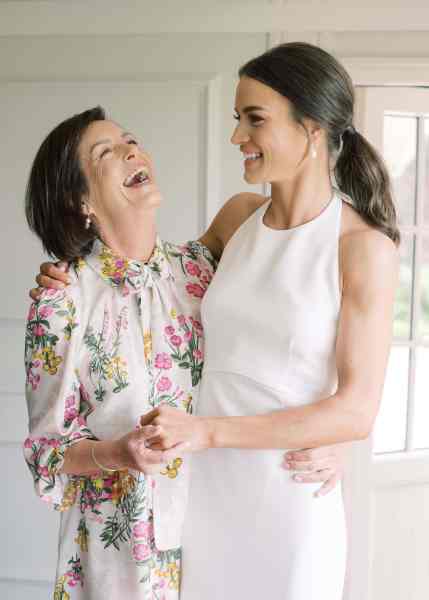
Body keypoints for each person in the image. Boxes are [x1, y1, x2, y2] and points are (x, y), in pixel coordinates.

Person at [25, 104, 344, 600]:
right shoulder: (62, 299)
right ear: (79, 199)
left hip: (217, 528)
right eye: (106, 152)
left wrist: (334, 434)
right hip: (121, 554)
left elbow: (294, 332)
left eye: (130, 138)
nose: (132, 149)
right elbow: (47, 452)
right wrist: (117, 453)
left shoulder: (202, 269)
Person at [133, 42, 399, 599]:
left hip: (287, 497)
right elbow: (152, 287)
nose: (237, 137)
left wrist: (207, 432)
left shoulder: (361, 248)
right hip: (206, 492)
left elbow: (356, 409)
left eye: (255, 119)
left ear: (313, 129)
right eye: (237, 119)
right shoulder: (236, 217)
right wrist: (75, 278)